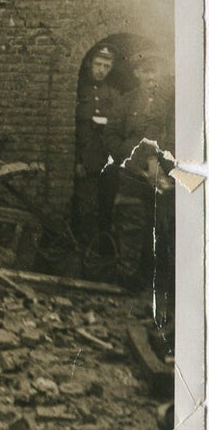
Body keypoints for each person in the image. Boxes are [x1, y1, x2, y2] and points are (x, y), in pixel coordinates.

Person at [113, 52, 175, 322]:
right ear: (138, 74)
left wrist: (165, 169)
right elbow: (114, 137)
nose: (152, 77)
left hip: (166, 175)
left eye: (156, 72)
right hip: (134, 175)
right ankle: (127, 286)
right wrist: (132, 161)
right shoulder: (126, 102)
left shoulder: (167, 102)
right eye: (146, 72)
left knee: (164, 229)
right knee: (132, 225)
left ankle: (160, 291)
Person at [72, 43, 125, 270]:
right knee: (86, 210)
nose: (102, 69)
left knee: (107, 210)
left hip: (109, 164)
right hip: (87, 163)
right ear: (89, 64)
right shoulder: (78, 89)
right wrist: (77, 161)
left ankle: (102, 260)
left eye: (106, 65)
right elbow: (75, 131)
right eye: (98, 64)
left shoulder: (113, 95)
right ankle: (83, 257)